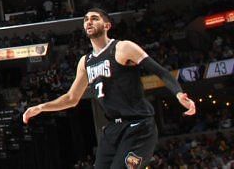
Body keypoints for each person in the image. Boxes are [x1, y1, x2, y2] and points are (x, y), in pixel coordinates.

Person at [22, 9, 198, 168]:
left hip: (139, 126)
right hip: (113, 129)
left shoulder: (123, 48)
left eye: (94, 18)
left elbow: (161, 72)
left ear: (107, 25)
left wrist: (179, 93)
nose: (88, 22)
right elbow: (71, 98)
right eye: (85, 20)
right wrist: (41, 107)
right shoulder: (85, 62)